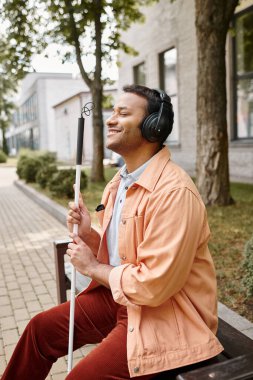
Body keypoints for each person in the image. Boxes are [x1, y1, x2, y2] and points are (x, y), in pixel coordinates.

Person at [2, 85, 223, 379]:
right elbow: (122, 254)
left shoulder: (174, 192)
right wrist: (90, 236)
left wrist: (92, 267)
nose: (110, 119)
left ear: (152, 126)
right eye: (113, 111)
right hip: (122, 299)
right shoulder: (119, 182)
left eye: (123, 113)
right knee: (39, 330)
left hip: (165, 315)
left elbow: (153, 285)